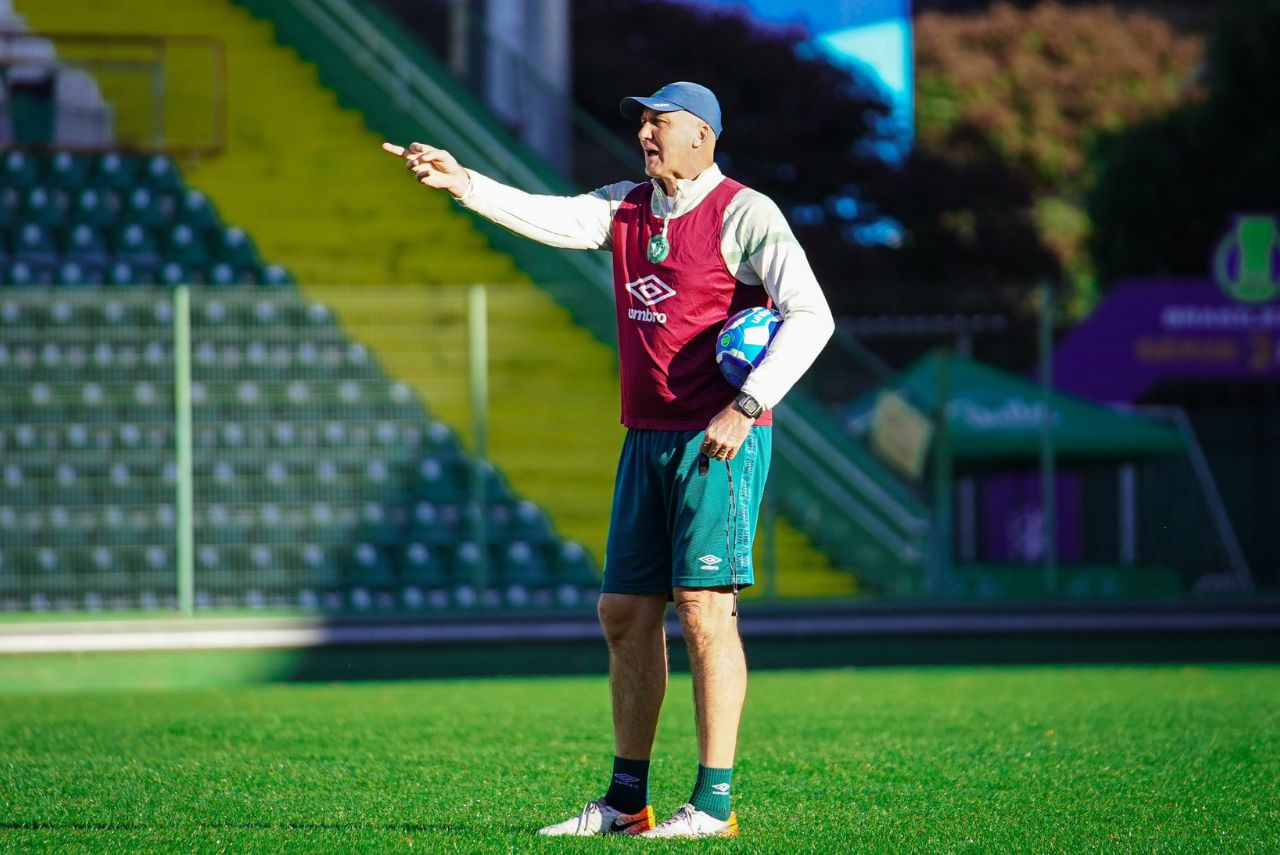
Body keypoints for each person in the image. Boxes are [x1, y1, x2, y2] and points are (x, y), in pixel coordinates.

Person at [382, 81, 834, 840]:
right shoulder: (627, 207)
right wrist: (464, 184)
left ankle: (714, 805)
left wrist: (747, 405)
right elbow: (554, 216)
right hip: (647, 436)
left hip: (717, 437)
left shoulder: (747, 213)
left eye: (661, 124)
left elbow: (812, 315)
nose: (647, 135)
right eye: (644, 125)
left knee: (704, 611)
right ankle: (628, 801)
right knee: (624, 614)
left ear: (704, 136)